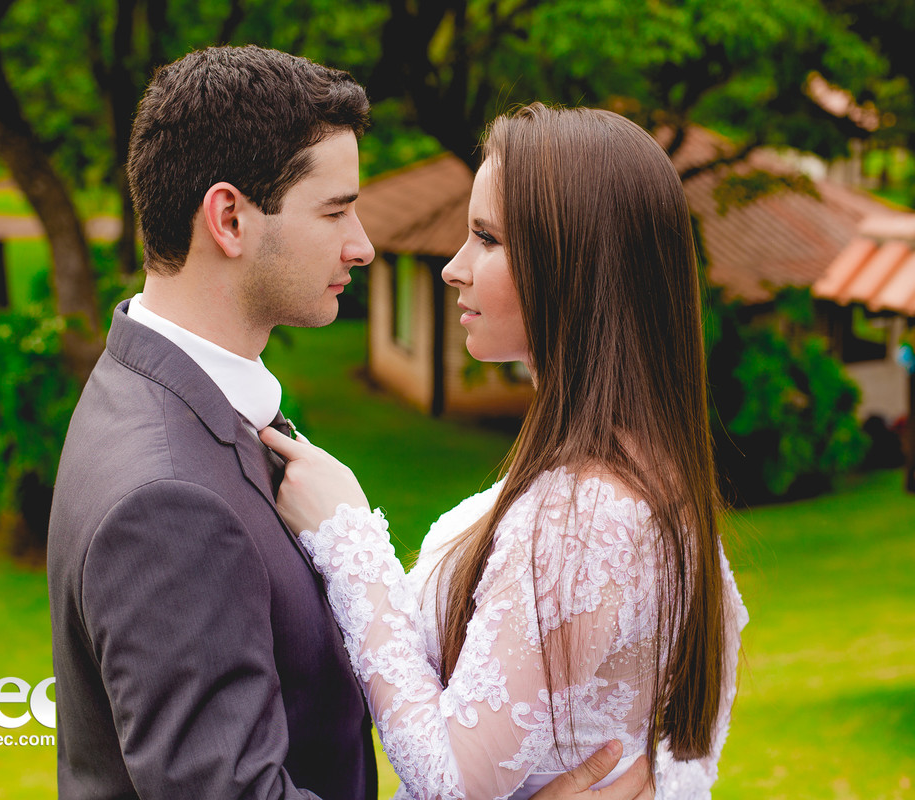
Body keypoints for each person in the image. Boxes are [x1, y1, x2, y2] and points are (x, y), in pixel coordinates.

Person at [48, 46, 647, 800]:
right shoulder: (167, 500)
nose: (363, 246)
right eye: (336, 211)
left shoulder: (165, 397)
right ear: (229, 217)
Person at [262, 103, 749, 800]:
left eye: (487, 239)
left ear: (574, 263)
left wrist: (347, 538)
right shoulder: (656, 482)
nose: (453, 269)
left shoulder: (585, 520)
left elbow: (450, 778)